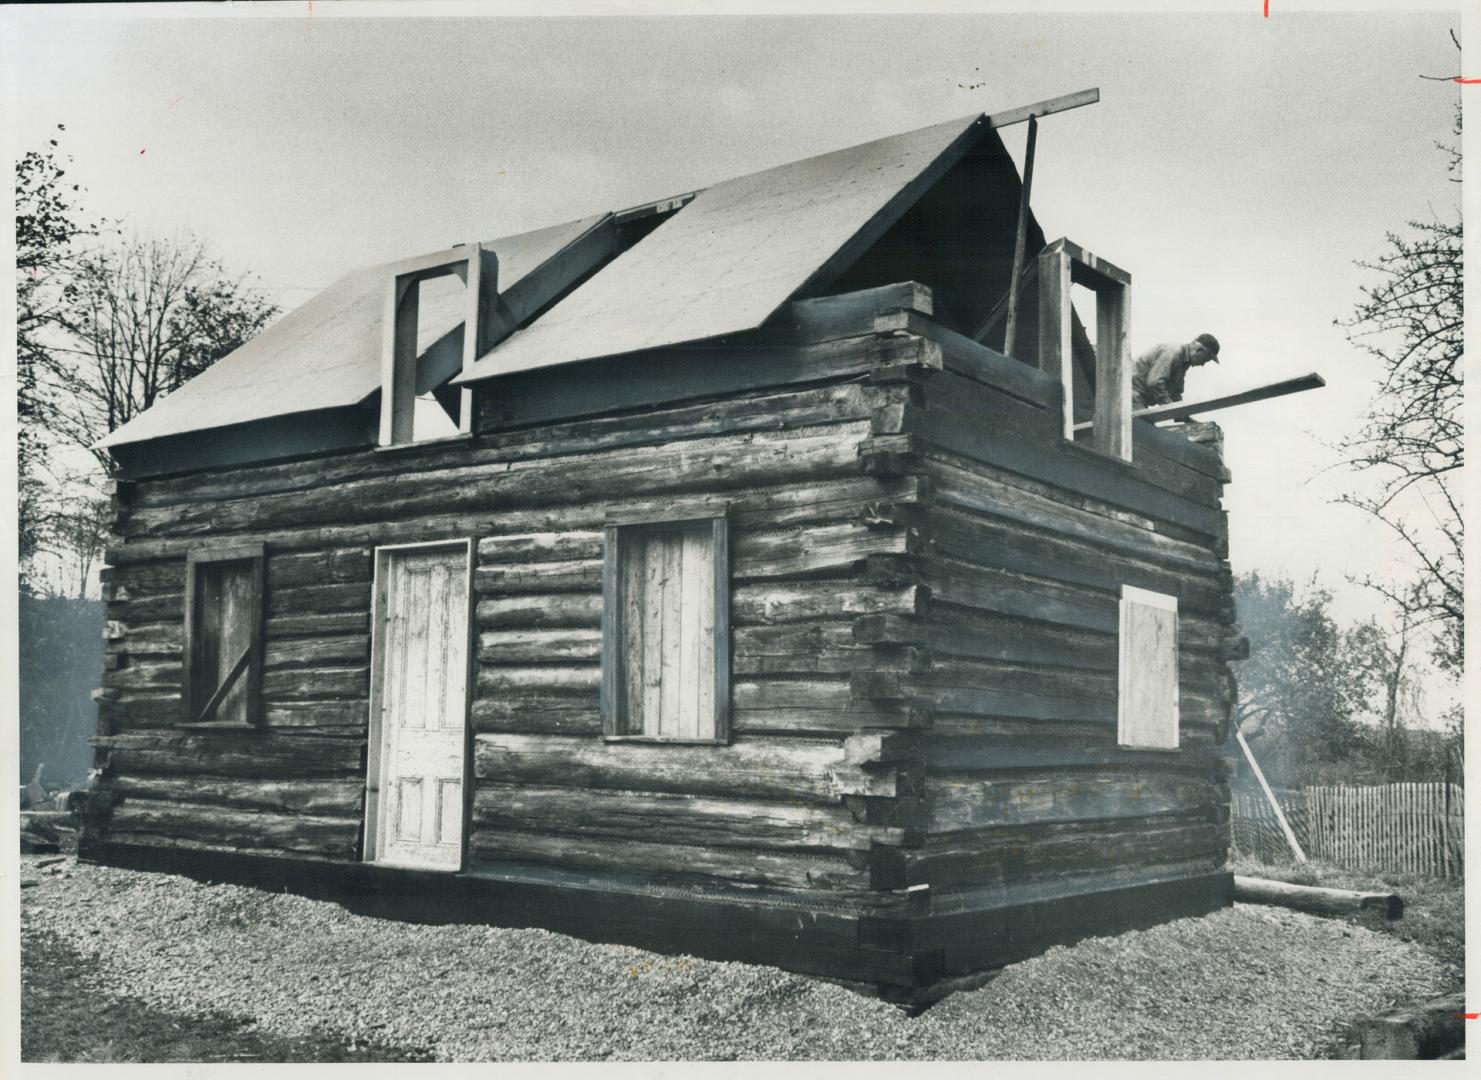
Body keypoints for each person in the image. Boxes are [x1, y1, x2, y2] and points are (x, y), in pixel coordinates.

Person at [1131, 333, 1221, 409]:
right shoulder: (1174, 352)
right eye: (1204, 360)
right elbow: (1154, 383)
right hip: (1131, 394)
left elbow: (1176, 393)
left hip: (1138, 399)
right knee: (1145, 429)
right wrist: (1170, 407)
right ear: (1199, 350)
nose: (1202, 364)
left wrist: (1182, 414)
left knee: (1147, 427)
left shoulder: (1184, 362)